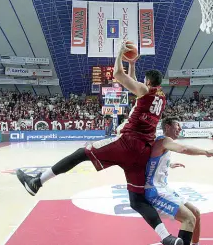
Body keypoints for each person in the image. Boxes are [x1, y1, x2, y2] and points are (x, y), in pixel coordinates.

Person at [16, 43, 183, 245]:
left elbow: (119, 76)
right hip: (142, 152)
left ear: (148, 82)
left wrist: (120, 54)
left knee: (80, 153)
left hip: (127, 143)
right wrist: (132, 65)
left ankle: (37, 182)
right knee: (137, 201)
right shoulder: (161, 97)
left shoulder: (144, 91)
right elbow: (135, 83)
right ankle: (167, 238)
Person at [145, 116, 213, 245]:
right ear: (167, 127)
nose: (180, 128)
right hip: (155, 191)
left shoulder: (163, 144)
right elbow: (183, 149)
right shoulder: (164, 140)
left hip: (164, 188)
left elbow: (152, 161)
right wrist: (205, 151)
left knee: (196, 213)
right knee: (189, 219)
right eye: (177, 125)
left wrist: (169, 165)